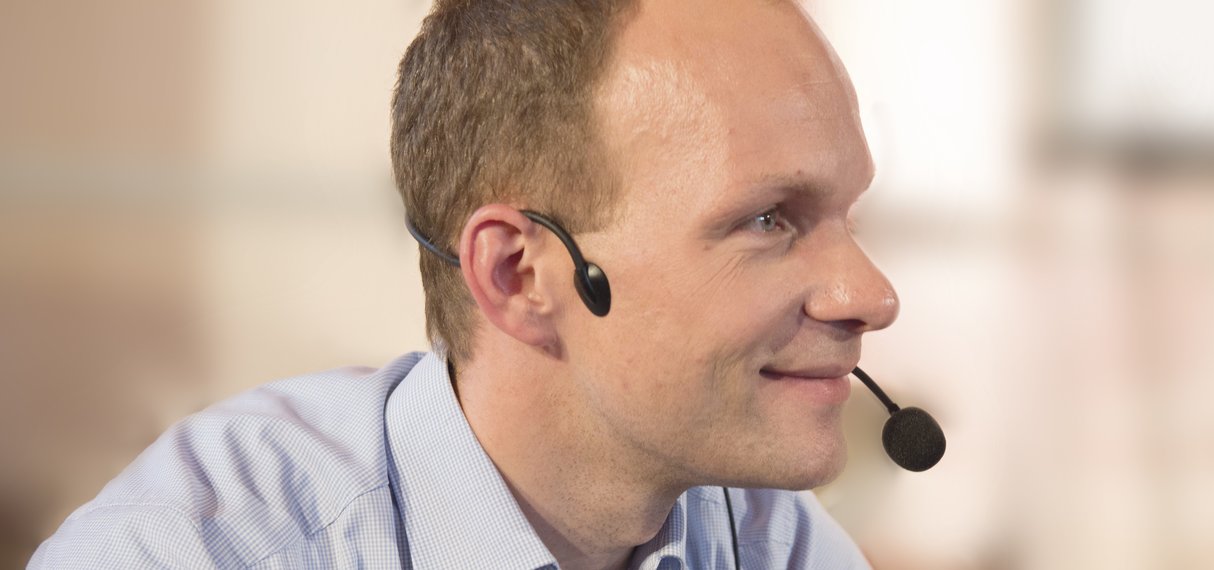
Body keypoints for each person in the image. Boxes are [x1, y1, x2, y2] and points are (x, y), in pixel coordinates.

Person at [30, 0, 900, 567]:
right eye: (769, 219)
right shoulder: (196, 546)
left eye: (848, 217)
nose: (871, 295)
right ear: (517, 275)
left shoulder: (770, 541)